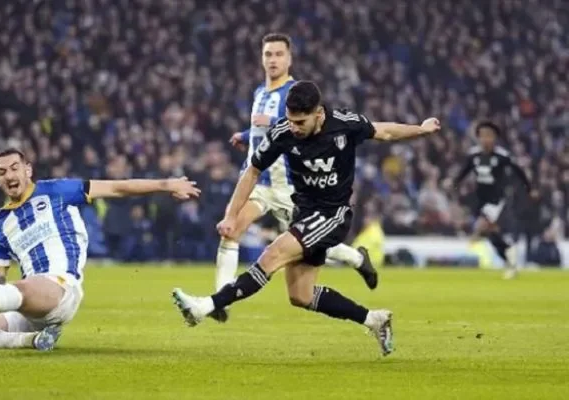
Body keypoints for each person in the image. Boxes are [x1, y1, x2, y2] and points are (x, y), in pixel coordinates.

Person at [171, 81, 442, 357]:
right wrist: (231, 215)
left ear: (319, 114)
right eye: (290, 121)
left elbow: (383, 131)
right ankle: (374, 319)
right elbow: (252, 171)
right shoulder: (283, 132)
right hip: (303, 212)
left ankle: (203, 307)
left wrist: (420, 129)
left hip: (332, 213)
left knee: (272, 255)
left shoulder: (344, 124)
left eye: (301, 122)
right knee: (300, 295)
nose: (295, 128)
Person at [0, 148, 200, 350]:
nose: (9, 175)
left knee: (25, 286)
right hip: (29, 307)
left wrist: (167, 185)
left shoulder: (59, 190)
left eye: (14, 168)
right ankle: (32, 340)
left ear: (28, 170)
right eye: (2, 172)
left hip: (61, 289)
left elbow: (117, 187)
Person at [217, 33, 377, 322]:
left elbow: (290, 131)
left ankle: (356, 258)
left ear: (289, 59)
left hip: (291, 185)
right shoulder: (259, 93)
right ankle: (220, 301)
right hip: (261, 183)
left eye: (278, 54)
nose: (272, 60)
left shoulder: (296, 95)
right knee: (233, 227)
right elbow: (267, 134)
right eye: (268, 54)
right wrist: (245, 135)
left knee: (305, 245)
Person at [444, 121, 536, 279]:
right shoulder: (474, 155)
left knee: (483, 226)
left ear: (495, 138)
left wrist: (529, 188)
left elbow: (518, 172)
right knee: (492, 235)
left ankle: (507, 253)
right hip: (481, 200)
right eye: (482, 136)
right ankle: (509, 256)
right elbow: (464, 171)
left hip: (497, 199)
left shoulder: (502, 156)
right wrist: (454, 183)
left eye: (489, 136)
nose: (485, 139)